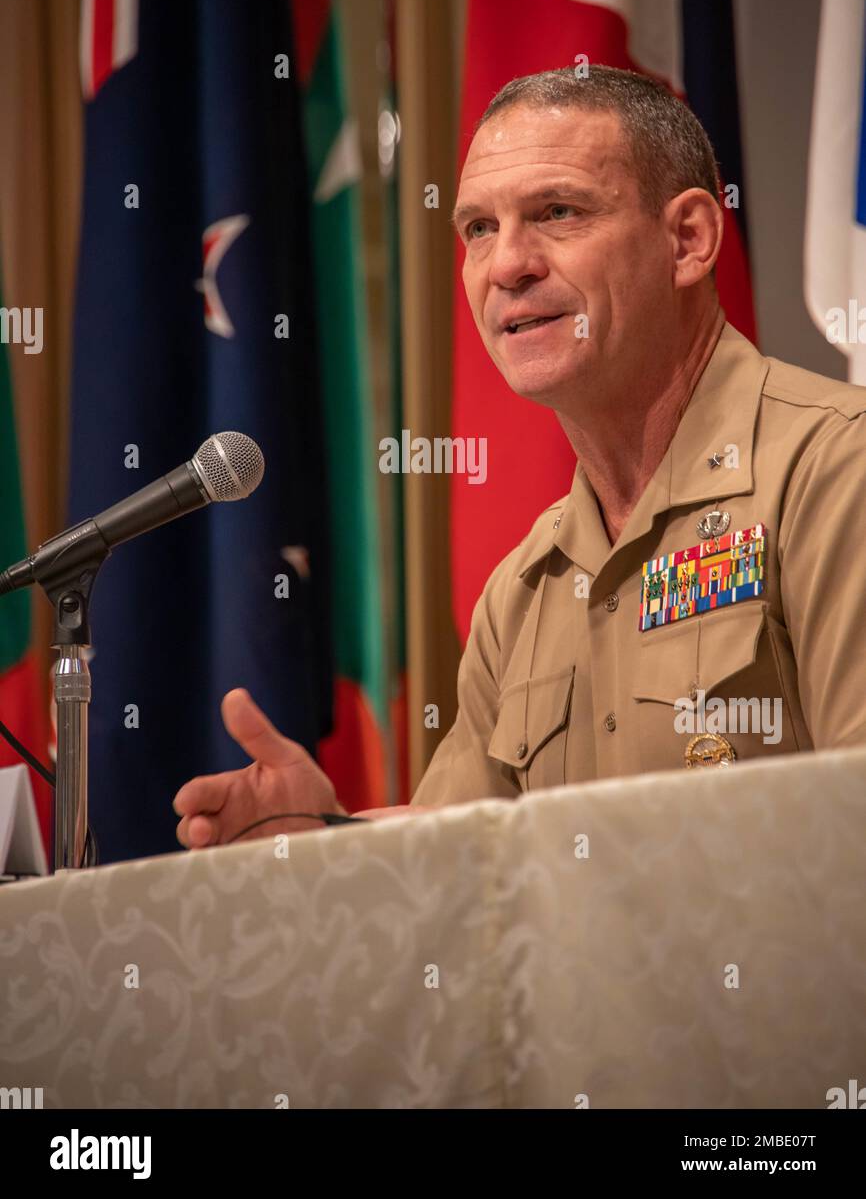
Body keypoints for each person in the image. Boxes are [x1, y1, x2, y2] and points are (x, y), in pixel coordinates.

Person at [174, 64, 866, 850]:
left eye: (558, 212)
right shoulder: (525, 588)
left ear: (688, 240)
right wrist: (333, 847)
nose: (507, 265)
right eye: (478, 229)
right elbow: (468, 881)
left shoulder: (837, 472)